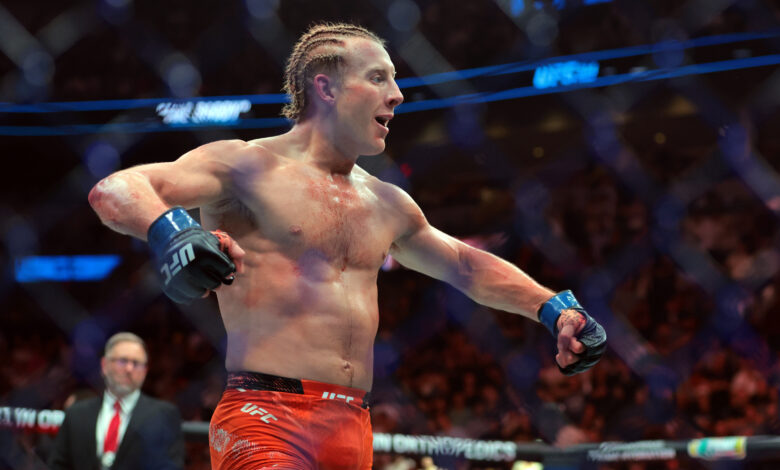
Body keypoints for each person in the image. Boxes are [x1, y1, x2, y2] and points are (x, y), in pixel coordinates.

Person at [87, 22, 606, 469]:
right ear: (326, 88)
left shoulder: (387, 202)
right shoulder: (247, 166)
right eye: (379, 77)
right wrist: (174, 231)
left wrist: (552, 307)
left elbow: (466, 266)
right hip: (265, 414)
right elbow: (115, 189)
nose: (397, 94)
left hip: (353, 424)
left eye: (395, 79)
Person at [49, 332, 184, 470]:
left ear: (145, 371)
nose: (129, 369)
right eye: (122, 361)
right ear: (104, 365)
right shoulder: (76, 413)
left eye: (136, 363)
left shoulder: (164, 415)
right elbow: (58, 465)